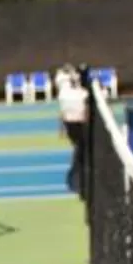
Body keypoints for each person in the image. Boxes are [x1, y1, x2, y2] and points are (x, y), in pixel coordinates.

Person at [55, 64, 93, 198]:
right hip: (78, 125)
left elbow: (62, 113)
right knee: (80, 154)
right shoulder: (82, 94)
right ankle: (78, 183)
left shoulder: (68, 93)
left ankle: (79, 182)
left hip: (72, 125)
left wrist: (61, 127)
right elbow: (85, 112)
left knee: (80, 152)